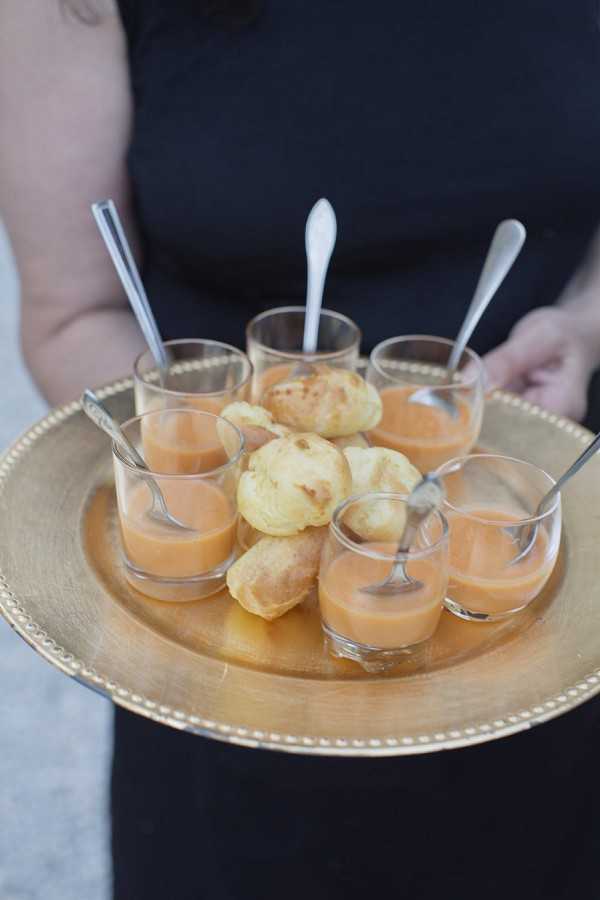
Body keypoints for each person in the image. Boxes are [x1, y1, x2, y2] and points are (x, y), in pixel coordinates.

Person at [2, 2, 600, 897]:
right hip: (226, 656)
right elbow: (70, 311)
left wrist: (587, 323)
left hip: (514, 567)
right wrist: (212, 453)